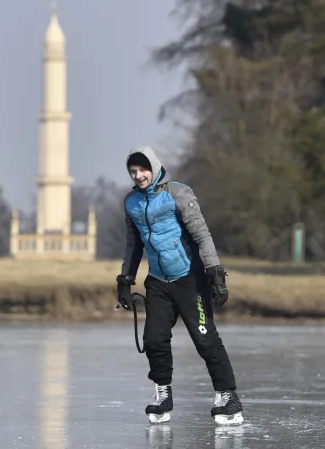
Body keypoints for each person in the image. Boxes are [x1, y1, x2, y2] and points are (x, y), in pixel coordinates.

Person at [115, 146, 244, 426]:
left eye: (143, 169)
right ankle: (163, 395)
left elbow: (202, 234)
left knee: (205, 339)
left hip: (189, 278)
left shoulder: (178, 193)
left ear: (154, 167)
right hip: (158, 281)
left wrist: (215, 273)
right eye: (133, 171)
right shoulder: (131, 202)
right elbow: (133, 244)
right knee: (154, 340)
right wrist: (125, 279)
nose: (138, 176)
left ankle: (228, 397)